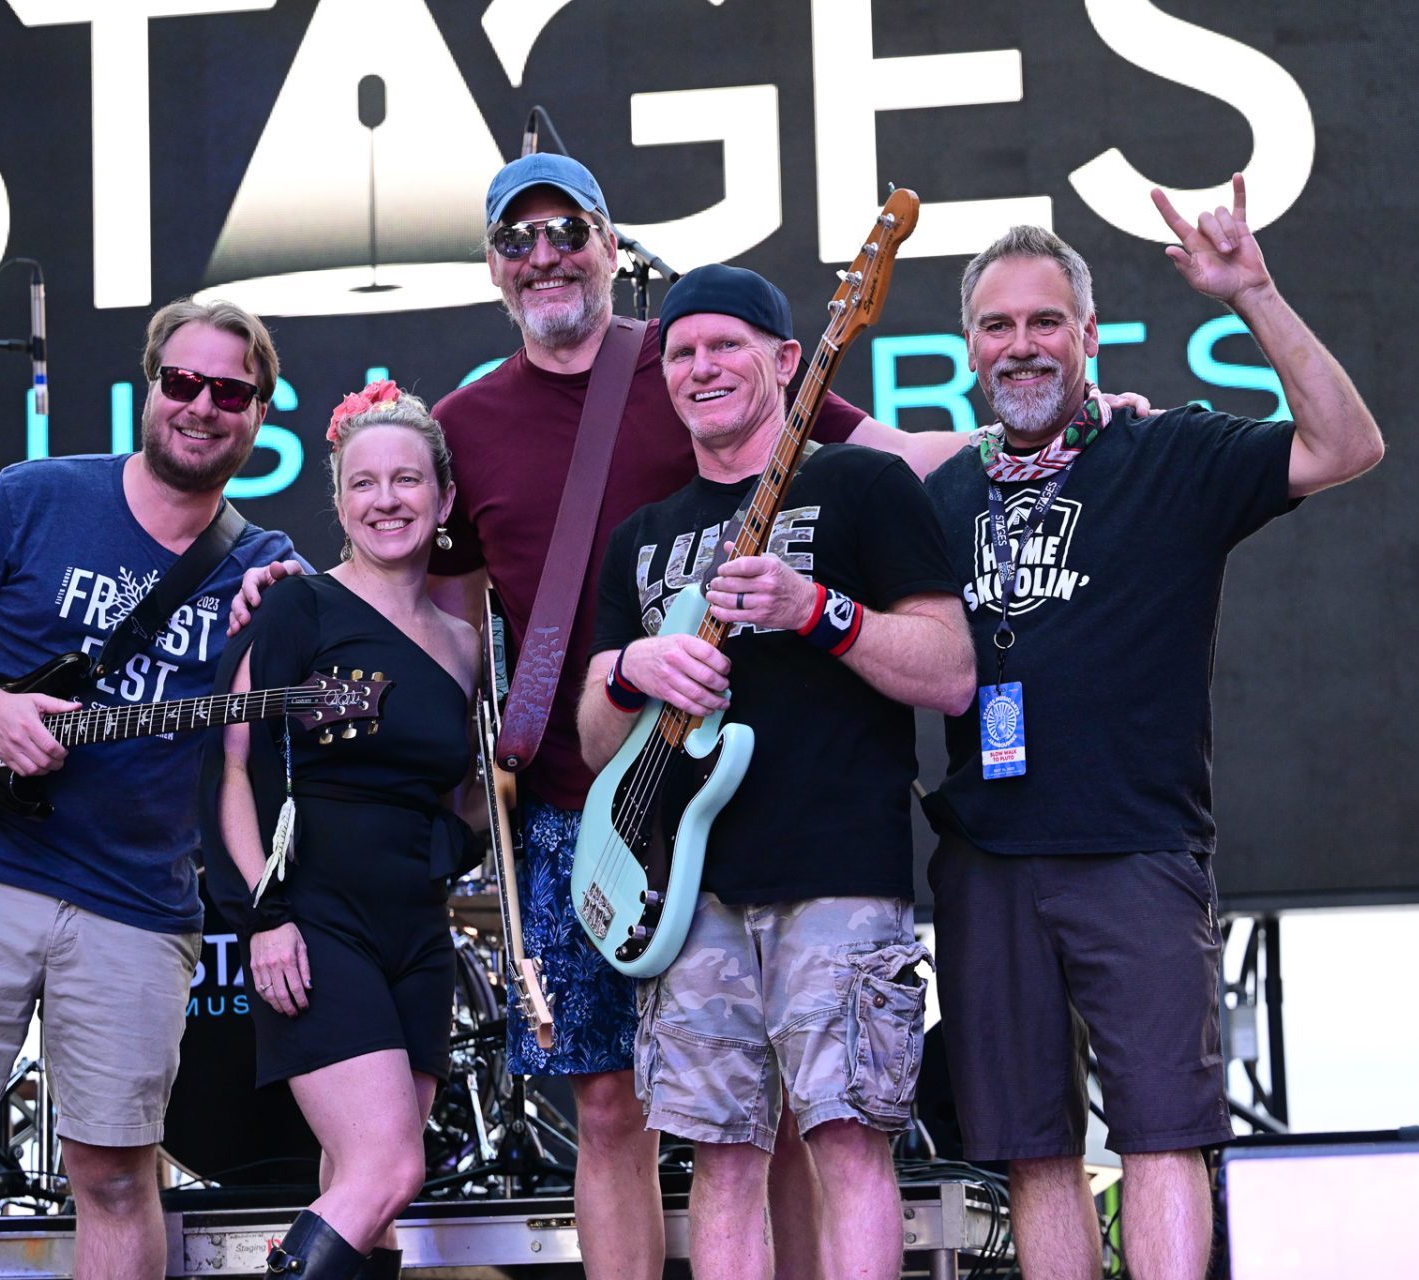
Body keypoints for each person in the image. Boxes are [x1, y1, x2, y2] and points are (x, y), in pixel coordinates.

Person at [423, 152, 1139, 1277]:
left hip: (812, 855)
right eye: (519, 238)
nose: (545, 254)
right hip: (631, 845)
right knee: (666, 1134)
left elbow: (933, 589)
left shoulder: (792, 439)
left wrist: (1068, 429)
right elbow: (469, 623)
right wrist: (621, 675)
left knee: (835, 1132)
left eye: (570, 231)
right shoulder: (531, 467)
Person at [922, 176, 1383, 1280]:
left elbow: (1348, 443)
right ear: (969, 348)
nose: (1022, 345)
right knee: (1034, 1152)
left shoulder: (1169, 454)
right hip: (986, 858)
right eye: (998, 325)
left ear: (1088, 336)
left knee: (1164, 1135)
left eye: (1045, 322)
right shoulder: (940, 498)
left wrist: (1254, 293)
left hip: (1136, 847)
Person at [0, 299, 300, 1279]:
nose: (202, 406)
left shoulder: (264, 564)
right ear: (151, 388)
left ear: (259, 412)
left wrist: (297, 620)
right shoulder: (37, 496)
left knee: (113, 1174)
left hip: (136, 902)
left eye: (230, 391)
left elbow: (329, 673)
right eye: (183, 381)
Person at [577, 264, 977, 1280]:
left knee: (848, 1141)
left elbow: (951, 670)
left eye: (726, 345)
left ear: (789, 360)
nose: (701, 366)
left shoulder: (862, 482)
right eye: (682, 352)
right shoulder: (642, 534)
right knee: (720, 1157)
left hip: (838, 874)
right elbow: (591, 740)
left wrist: (816, 610)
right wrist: (629, 669)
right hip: (688, 895)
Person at [207, 382, 478, 1279]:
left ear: (441, 498)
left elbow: (464, 800)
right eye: (364, 484)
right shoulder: (298, 608)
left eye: (407, 481)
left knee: (374, 1195)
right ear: (337, 501)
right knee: (389, 1166)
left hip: (418, 930)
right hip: (320, 917)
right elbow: (234, 772)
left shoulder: (467, 643)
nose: (386, 500)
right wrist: (265, 913)